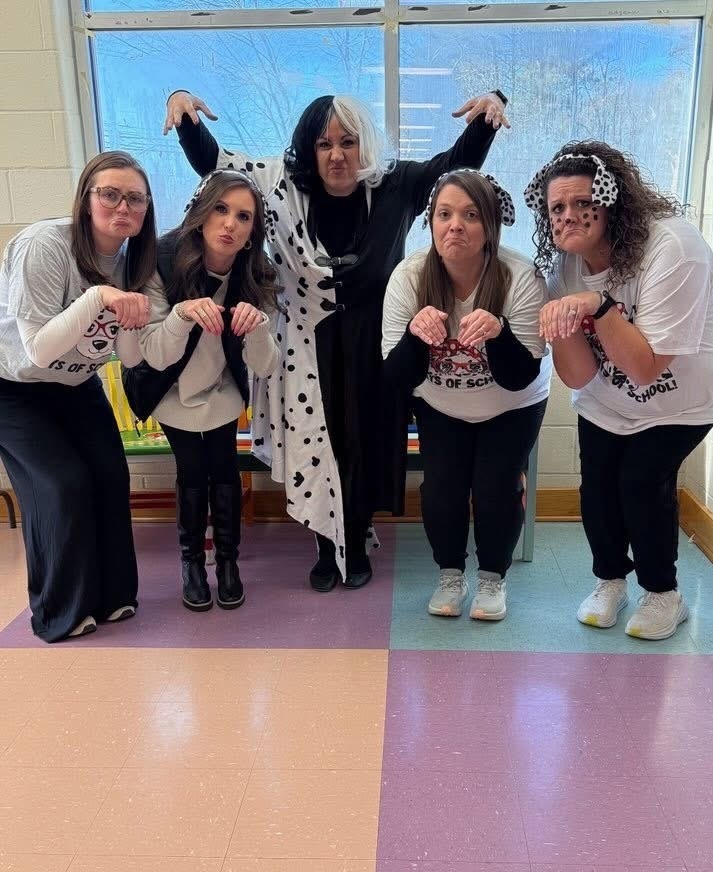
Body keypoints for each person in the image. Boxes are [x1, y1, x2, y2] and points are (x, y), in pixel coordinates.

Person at [162, 87, 509, 591]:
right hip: (306, 338)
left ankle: (357, 527)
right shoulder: (282, 186)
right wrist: (185, 113)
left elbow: (455, 165)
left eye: (348, 142)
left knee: (365, 439)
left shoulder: (395, 185)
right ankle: (326, 543)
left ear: (363, 146)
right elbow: (218, 169)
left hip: (377, 338)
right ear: (309, 147)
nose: (337, 155)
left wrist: (489, 113)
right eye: (324, 144)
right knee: (316, 441)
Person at [527, 141, 713, 640]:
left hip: (687, 390)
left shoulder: (672, 247)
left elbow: (647, 367)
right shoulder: (566, 266)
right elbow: (580, 377)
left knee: (641, 482)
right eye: (556, 208)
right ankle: (610, 581)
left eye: (582, 203)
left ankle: (663, 594)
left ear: (612, 199)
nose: (568, 216)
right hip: (612, 392)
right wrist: (560, 323)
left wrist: (599, 307)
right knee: (598, 487)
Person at [0, 151, 156, 642]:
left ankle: (112, 597)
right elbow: (40, 348)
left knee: (111, 475)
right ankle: (58, 613)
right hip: (15, 387)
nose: (121, 206)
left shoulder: (136, 260)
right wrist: (99, 297)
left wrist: (130, 315)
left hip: (77, 383)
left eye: (134, 198)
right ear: (86, 197)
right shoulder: (44, 245)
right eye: (109, 193)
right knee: (60, 485)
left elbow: (129, 359)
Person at [381, 169, 550, 621]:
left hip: (512, 404)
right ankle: (450, 574)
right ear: (431, 223)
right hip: (442, 404)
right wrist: (417, 337)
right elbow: (396, 377)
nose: (456, 225)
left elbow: (520, 376)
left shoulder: (519, 275)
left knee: (496, 487)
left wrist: (498, 334)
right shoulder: (409, 276)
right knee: (441, 489)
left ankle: (493, 579)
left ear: (490, 226)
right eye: (445, 214)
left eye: (471, 215)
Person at [123, 170, 280, 612]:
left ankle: (227, 564)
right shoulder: (162, 259)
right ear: (200, 213)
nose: (230, 223)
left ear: (253, 231)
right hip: (167, 391)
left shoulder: (256, 272)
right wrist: (182, 315)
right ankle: (192, 564)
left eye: (243, 216)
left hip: (222, 392)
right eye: (221, 209)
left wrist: (259, 325)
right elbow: (152, 356)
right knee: (192, 473)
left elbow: (266, 366)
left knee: (225, 470)